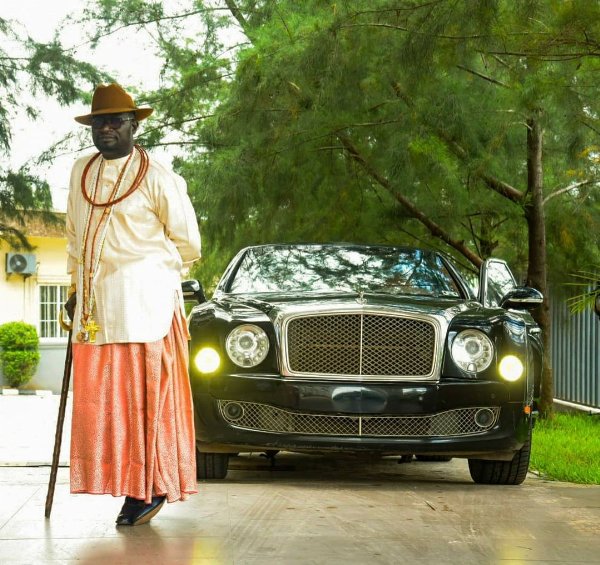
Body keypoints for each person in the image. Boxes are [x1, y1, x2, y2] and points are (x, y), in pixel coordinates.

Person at [64, 83, 201, 526]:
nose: (106, 128)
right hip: (96, 313)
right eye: (99, 121)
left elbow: (188, 244)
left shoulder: (160, 176)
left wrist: (153, 279)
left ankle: (152, 487)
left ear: (133, 125)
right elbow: (73, 239)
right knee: (107, 408)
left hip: (147, 311)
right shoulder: (80, 172)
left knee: (146, 406)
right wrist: (73, 290)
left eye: (115, 120)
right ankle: (128, 487)